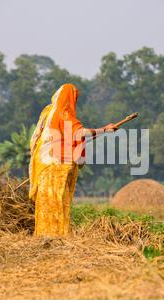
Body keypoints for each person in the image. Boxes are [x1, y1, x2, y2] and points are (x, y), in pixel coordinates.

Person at [29, 83, 117, 236]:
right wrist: (104, 130)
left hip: (44, 165)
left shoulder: (48, 114)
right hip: (56, 166)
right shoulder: (63, 114)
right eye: (74, 98)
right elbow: (80, 133)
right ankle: (55, 237)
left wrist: (103, 131)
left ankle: (45, 236)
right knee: (56, 202)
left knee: (46, 202)